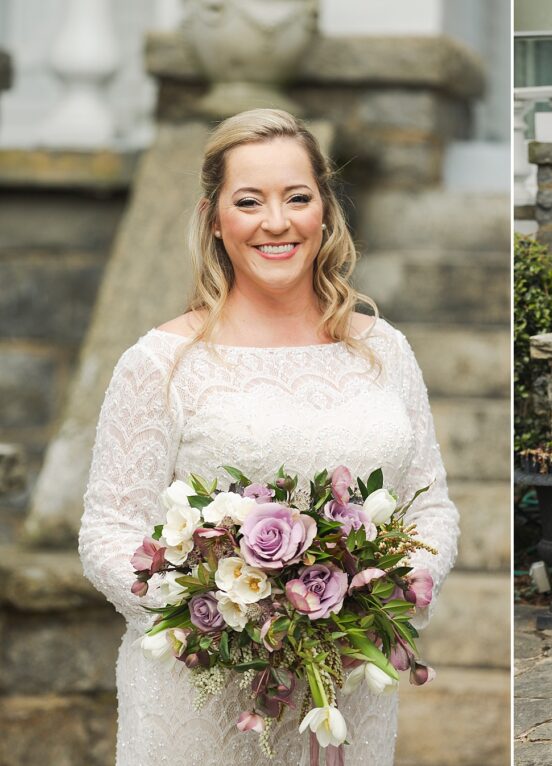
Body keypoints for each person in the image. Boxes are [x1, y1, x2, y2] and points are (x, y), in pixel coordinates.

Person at [78, 108, 459, 765]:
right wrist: (222, 613)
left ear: (325, 210)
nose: (276, 222)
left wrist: (389, 593)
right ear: (215, 218)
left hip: (343, 691)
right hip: (204, 694)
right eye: (249, 201)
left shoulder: (384, 351)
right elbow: (108, 529)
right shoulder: (161, 362)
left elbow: (430, 505)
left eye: (297, 198)